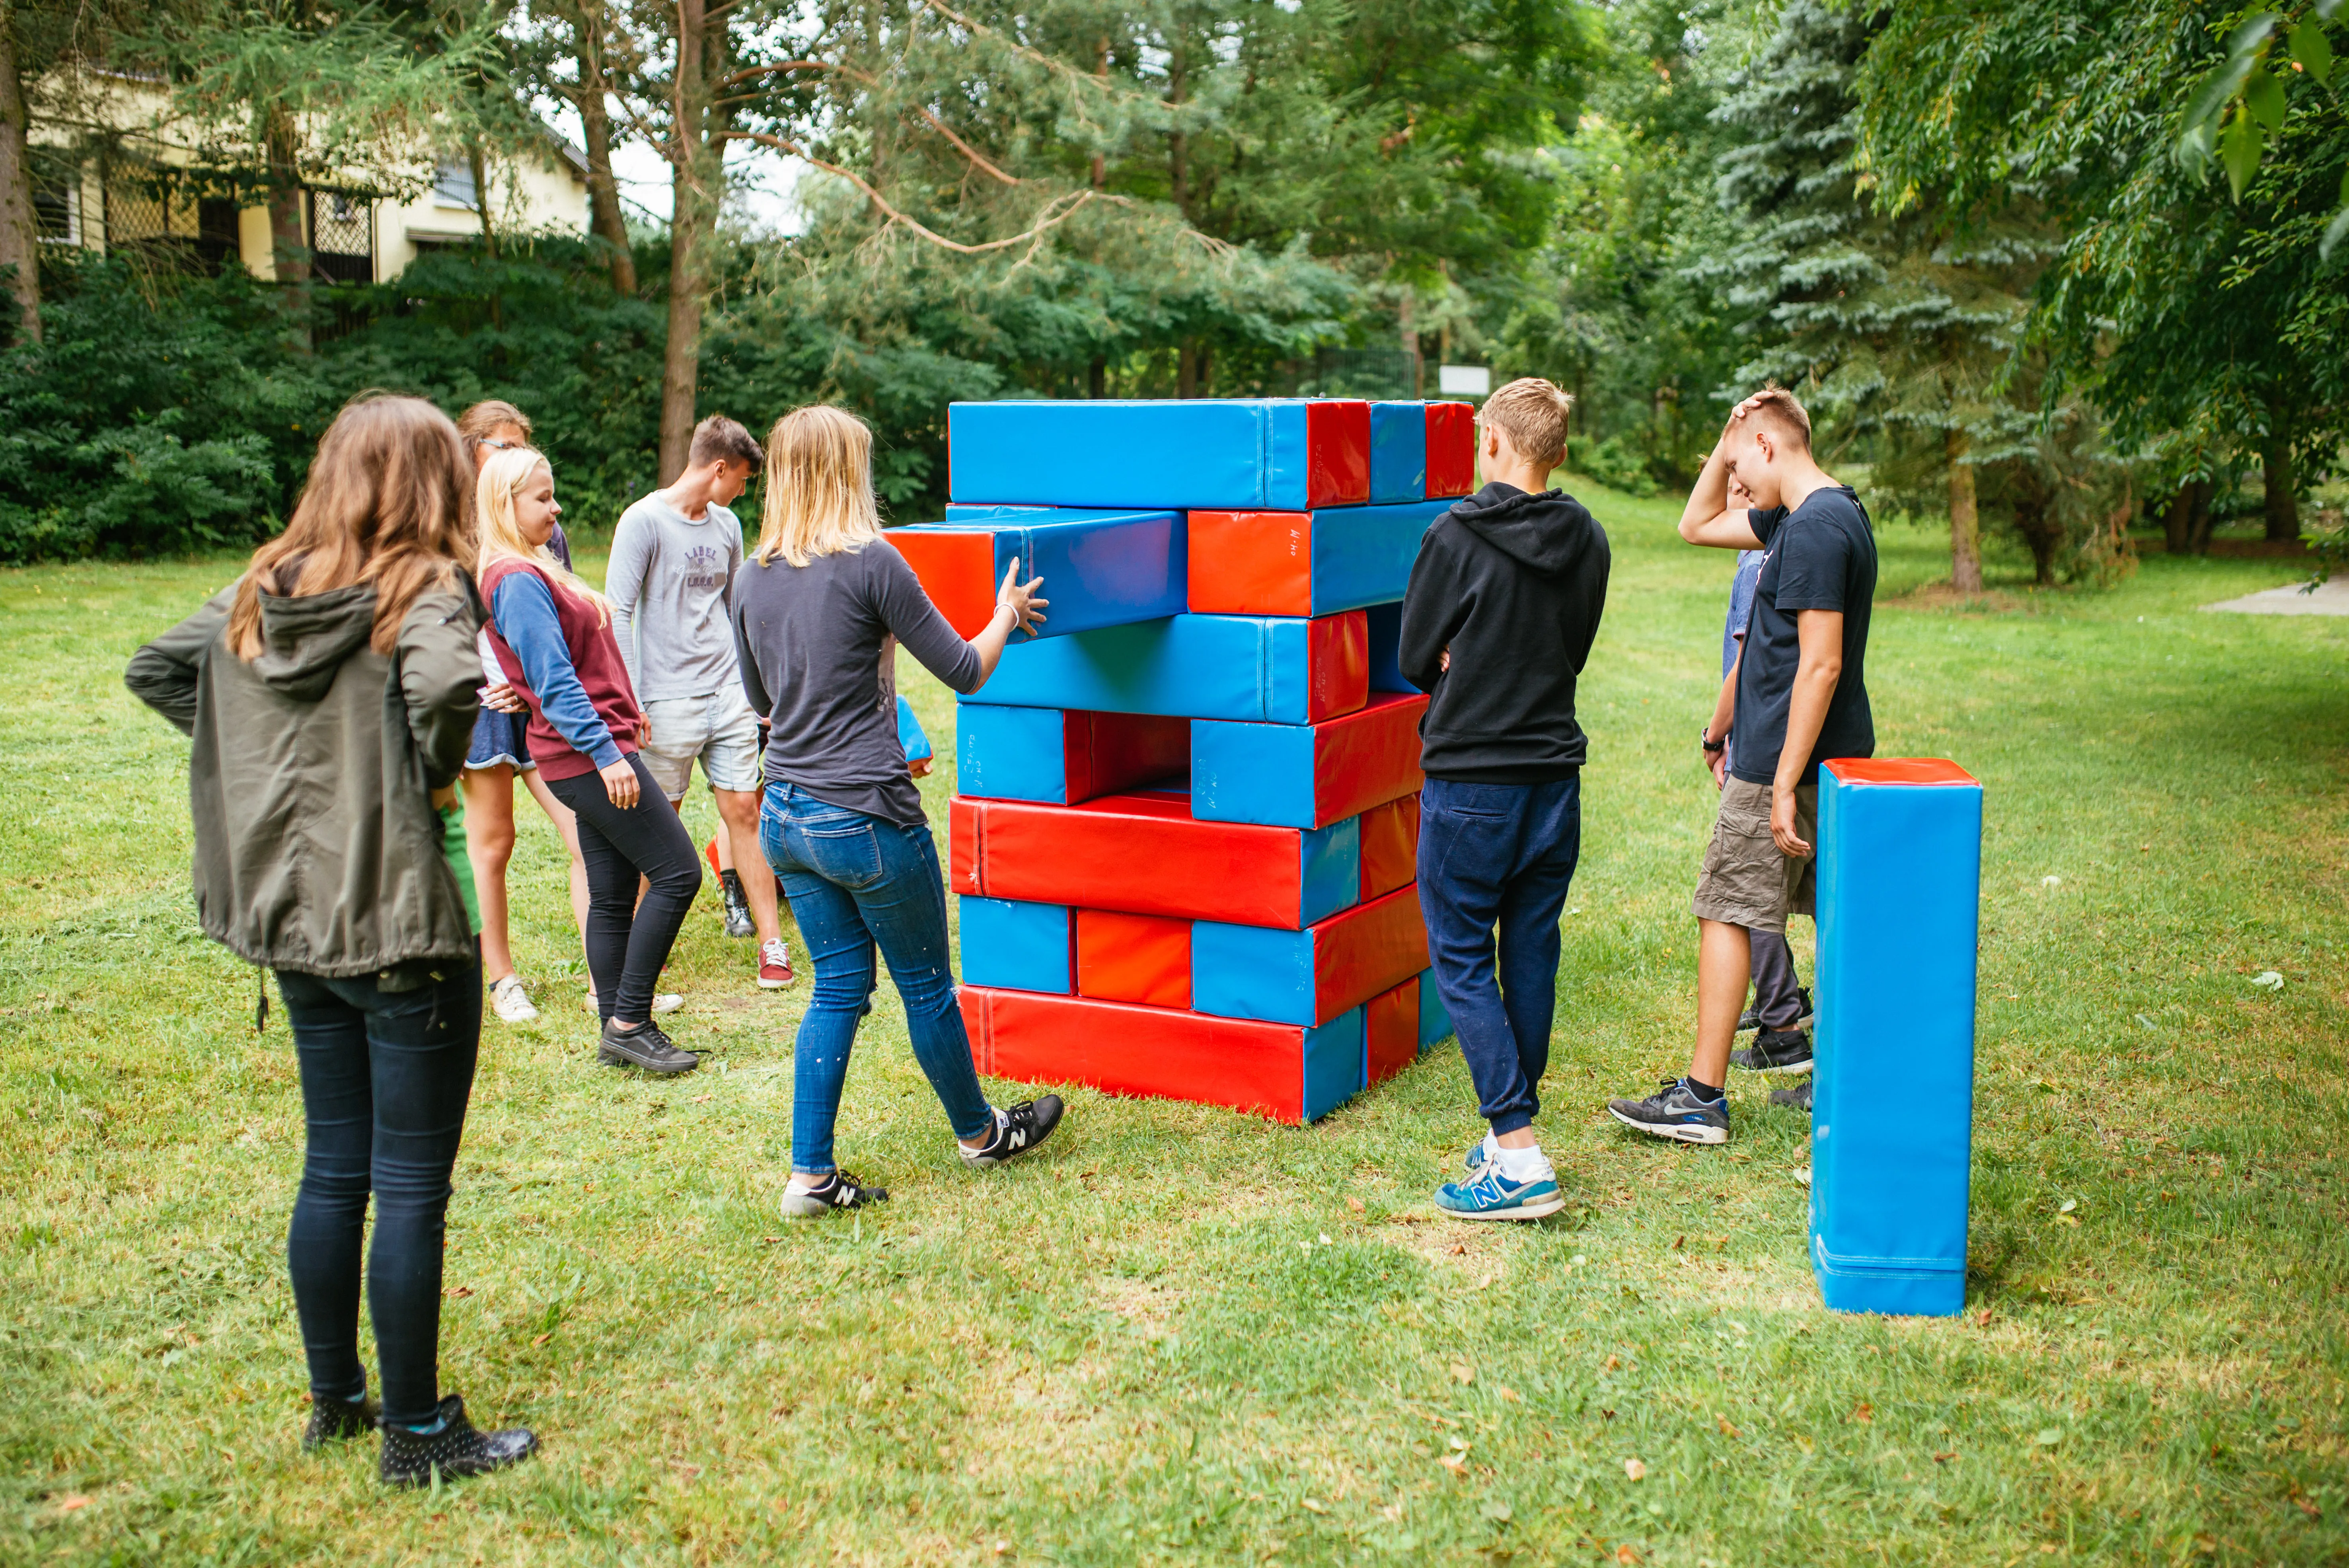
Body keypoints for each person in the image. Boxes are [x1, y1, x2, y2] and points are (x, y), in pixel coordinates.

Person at [125, 394, 536, 1486]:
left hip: (298, 929)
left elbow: (161, 666)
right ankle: (417, 1431)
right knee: (406, 1184)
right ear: (431, 481)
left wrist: (282, 749)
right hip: (399, 923)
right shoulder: (427, 586)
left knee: (334, 1165)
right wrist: (420, 773)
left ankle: (339, 1401)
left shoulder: (268, 585)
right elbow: (449, 685)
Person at [732, 404, 1065, 1217]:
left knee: (837, 988)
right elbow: (963, 668)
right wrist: (1004, 615)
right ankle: (982, 1135)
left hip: (786, 815)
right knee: (927, 987)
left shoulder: (749, 575)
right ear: (848, 472)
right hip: (869, 817)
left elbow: (760, 700)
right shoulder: (873, 562)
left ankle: (809, 1176)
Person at [1609, 386, 1876, 1145]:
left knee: (1727, 908)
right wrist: (1730, 430)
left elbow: (1818, 667)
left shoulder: (1817, 527)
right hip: (1814, 751)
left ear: (1770, 447)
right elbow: (1694, 526)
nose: (1736, 481)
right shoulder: (1808, 515)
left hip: (1780, 760)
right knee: (1833, 911)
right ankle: (1845, 1079)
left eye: (1740, 462)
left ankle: (1700, 1100)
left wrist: (1783, 781)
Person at [1398, 377, 1610, 1221]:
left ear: (1495, 441)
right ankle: (1509, 1137)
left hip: (1472, 781)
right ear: (1553, 451)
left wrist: (1460, 653)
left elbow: (1416, 655)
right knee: (1529, 946)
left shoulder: (1452, 534)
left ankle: (1518, 1154)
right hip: (1553, 781)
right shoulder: (1588, 536)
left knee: (1458, 954)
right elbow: (1575, 648)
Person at [475, 446, 704, 1076]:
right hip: (585, 757)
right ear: (505, 504)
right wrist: (609, 753)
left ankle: (615, 1025)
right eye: (542, 499)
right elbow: (554, 680)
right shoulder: (516, 579)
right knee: (680, 873)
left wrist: (622, 717)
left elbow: (555, 668)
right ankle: (632, 1020)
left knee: (611, 892)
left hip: (588, 749)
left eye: (553, 495)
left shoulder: (531, 565)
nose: (556, 507)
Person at [608, 415, 795, 989]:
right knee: (659, 825)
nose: (742, 490)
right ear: (718, 468)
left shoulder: (728, 525)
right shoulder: (643, 521)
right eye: (740, 479)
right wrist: (630, 698)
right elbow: (618, 613)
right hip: (665, 700)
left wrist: (755, 684)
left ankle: (772, 943)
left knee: (746, 812)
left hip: (728, 692)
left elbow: (736, 606)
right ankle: (646, 948)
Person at [448, 401, 615, 1025]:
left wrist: (534, 686)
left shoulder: (548, 529)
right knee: (494, 844)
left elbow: (562, 625)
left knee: (587, 837)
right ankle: (502, 980)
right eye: (502, 446)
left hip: (542, 705)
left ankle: (608, 984)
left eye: (524, 447)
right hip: (484, 707)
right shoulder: (452, 534)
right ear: (472, 453)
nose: (515, 457)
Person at [1706, 483, 1817, 1096]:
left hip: (1757, 744)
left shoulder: (1761, 559)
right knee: (1757, 885)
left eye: (1740, 487)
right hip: (1764, 740)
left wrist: (1714, 734)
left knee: (1746, 889)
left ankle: (1781, 1023)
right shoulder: (1781, 546)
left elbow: (1746, 664)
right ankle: (1782, 1010)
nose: (1732, 500)